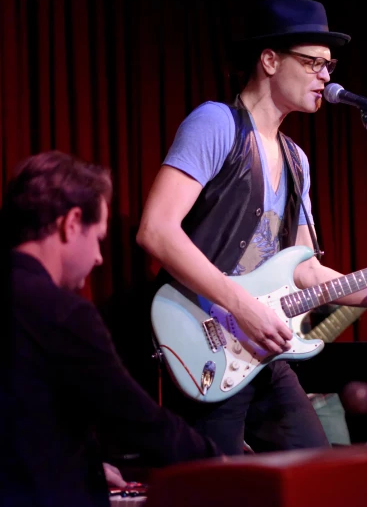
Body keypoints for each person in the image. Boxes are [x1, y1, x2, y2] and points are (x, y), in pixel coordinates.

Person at [135, 0, 367, 456]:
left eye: (329, 65)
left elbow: (306, 271)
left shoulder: (297, 161)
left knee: (319, 474)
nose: (327, 76)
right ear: (270, 60)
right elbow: (155, 230)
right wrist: (243, 307)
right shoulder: (216, 124)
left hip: (262, 349)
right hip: (204, 343)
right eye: (314, 62)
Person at [0, 151, 224, 507]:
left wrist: (86, 462)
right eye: (98, 238)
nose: (99, 258)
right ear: (71, 223)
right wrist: (220, 463)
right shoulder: (63, 314)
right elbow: (136, 419)